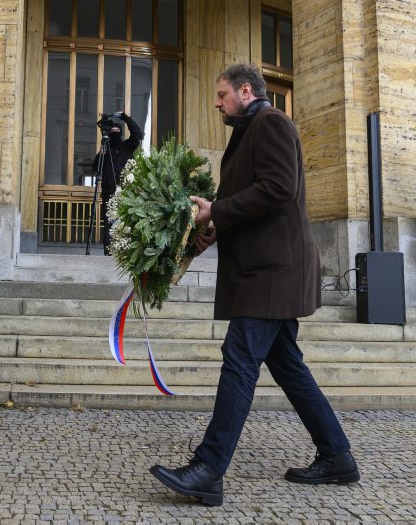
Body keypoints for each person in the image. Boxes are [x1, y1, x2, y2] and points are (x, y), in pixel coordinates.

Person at [149, 64, 358, 507]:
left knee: (240, 359)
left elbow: (279, 189)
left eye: (222, 93)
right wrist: (212, 226)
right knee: (288, 366)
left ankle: (208, 469)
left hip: (272, 271)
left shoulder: (272, 122)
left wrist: (217, 213)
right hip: (267, 268)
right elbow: (256, 197)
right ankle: (337, 456)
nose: (217, 102)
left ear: (247, 90)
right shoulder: (251, 128)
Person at [91, 111, 142, 254]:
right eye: (111, 130)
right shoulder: (105, 150)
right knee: (108, 222)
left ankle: (125, 250)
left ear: (120, 133)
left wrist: (125, 117)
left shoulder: (127, 146)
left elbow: (137, 134)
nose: (113, 133)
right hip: (108, 192)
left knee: (125, 221)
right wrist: (101, 152)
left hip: (125, 191)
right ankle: (108, 250)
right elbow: (95, 166)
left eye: (116, 131)